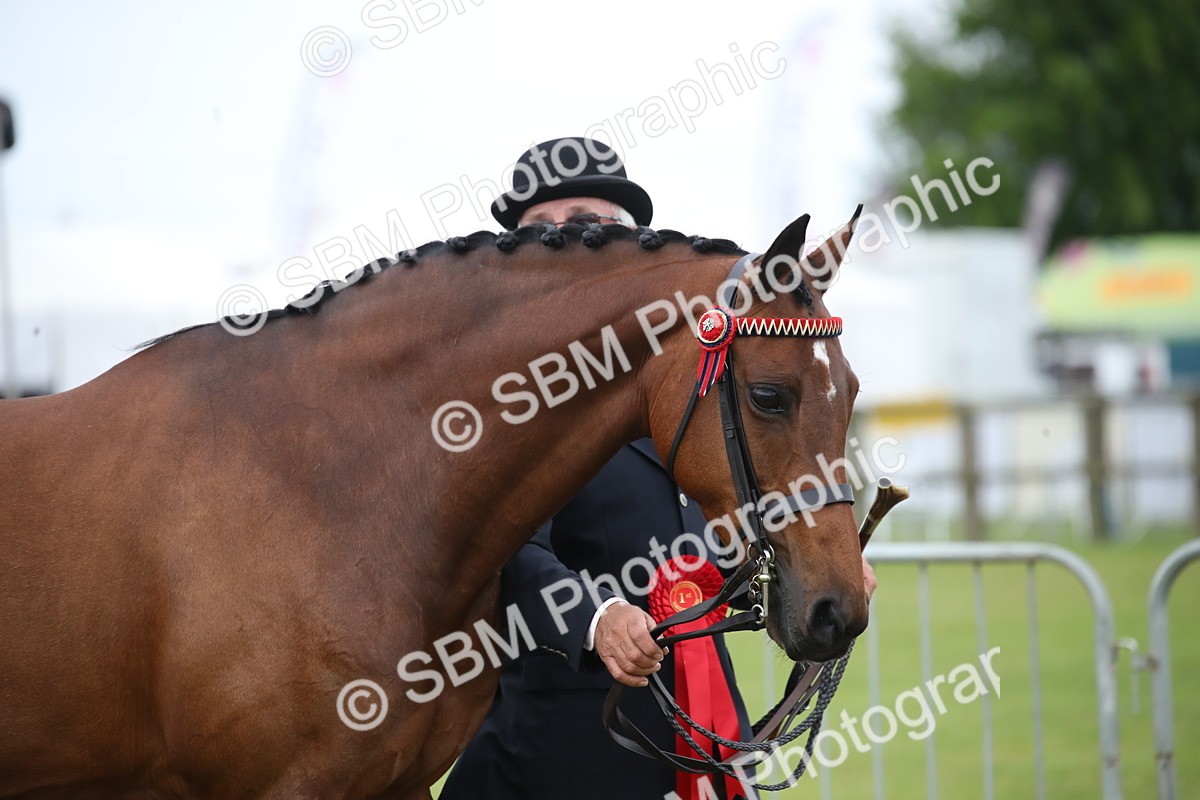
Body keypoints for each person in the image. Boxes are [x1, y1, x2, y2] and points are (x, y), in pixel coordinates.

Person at [440, 137, 875, 800]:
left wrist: (828, 558)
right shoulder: (506, 399)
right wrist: (597, 617)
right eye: (542, 232)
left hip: (702, 731)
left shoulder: (683, 390)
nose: (566, 243)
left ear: (630, 240)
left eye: (589, 225)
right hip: (559, 753)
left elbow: (731, 534)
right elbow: (508, 554)